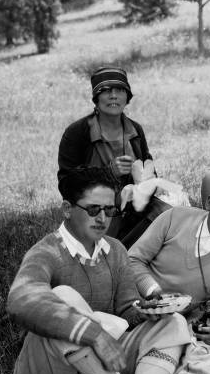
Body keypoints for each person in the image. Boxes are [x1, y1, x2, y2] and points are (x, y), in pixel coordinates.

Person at [7, 167, 193, 374]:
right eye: (93, 209)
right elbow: (20, 300)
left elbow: (126, 313)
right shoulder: (46, 251)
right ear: (67, 209)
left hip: (104, 366)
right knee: (63, 296)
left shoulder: (116, 250)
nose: (103, 219)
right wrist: (94, 334)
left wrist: (146, 311)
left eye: (109, 210)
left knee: (175, 323)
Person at [129, 177, 210, 346]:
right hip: (131, 302)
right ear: (209, 202)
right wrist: (153, 291)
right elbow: (132, 259)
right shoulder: (175, 217)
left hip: (174, 325)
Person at [57, 66, 170, 249]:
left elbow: (149, 170)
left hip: (132, 210)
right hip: (93, 212)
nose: (113, 96)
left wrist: (143, 184)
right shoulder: (77, 133)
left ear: (127, 97)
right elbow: (66, 183)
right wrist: (109, 172)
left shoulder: (135, 130)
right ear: (96, 98)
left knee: (169, 219)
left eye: (119, 90)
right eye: (106, 91)